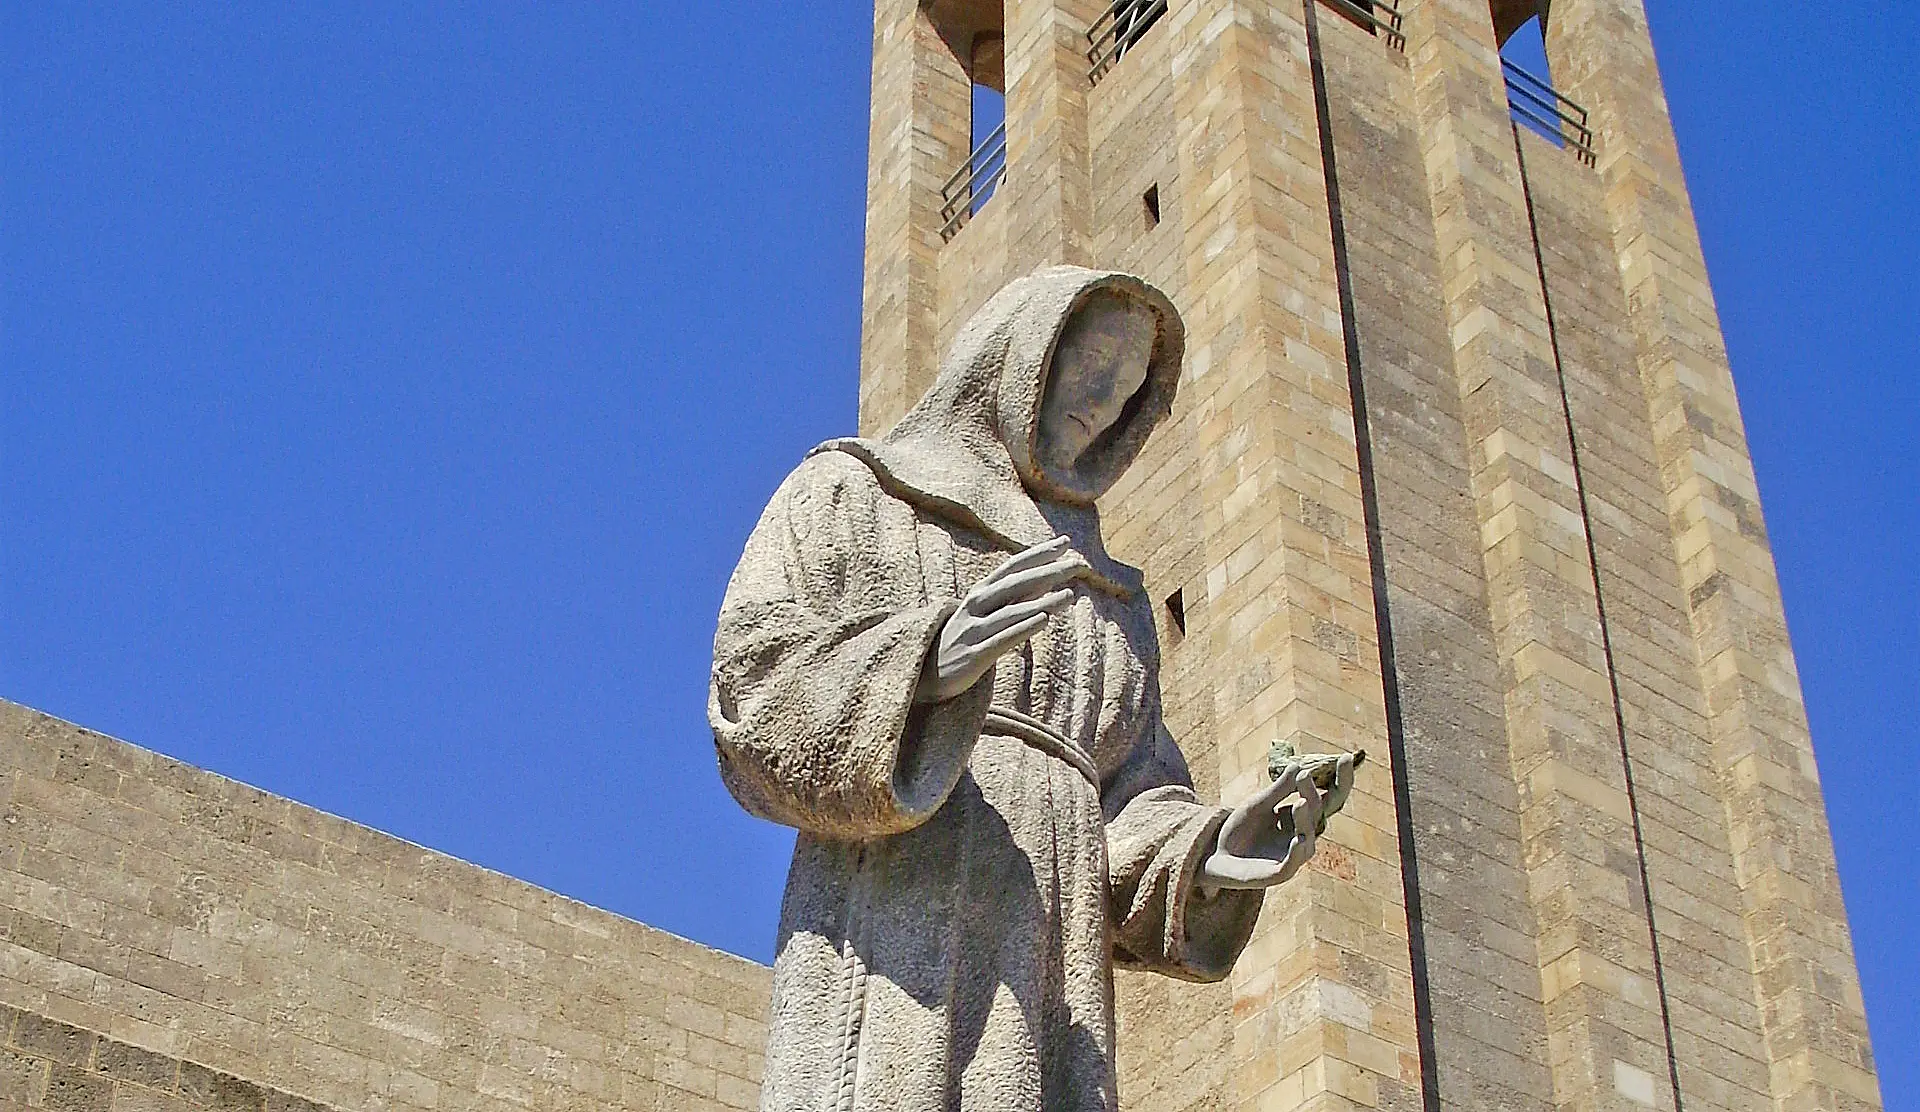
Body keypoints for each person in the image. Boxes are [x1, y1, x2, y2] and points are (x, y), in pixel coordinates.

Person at [709, 266, 1358, 1112]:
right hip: (897, 931)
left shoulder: (1114, 602)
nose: (1099, 406)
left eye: (1124, 393)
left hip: (1053, 968)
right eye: (1088, 373)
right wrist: (923, 669)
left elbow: (1131, 806)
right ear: (1018, 357)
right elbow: (750, 688)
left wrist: (1218, 848)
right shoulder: (858, 491)